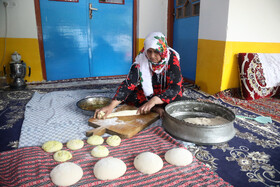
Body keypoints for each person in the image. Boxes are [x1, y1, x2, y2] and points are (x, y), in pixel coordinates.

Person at [94, 32, 184, 119]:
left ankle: (151, 105)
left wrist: (153, 100)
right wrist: (111, 106)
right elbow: (129, 83)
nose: (152, 56)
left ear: (163, 50)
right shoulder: (141, 59)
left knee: (177, 99)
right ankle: (153, 108)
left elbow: (175, 87)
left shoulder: (172, 59)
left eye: (156, 52)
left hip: (167, 91)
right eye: (149, 51)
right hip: (151, 91)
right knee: (129, 96)